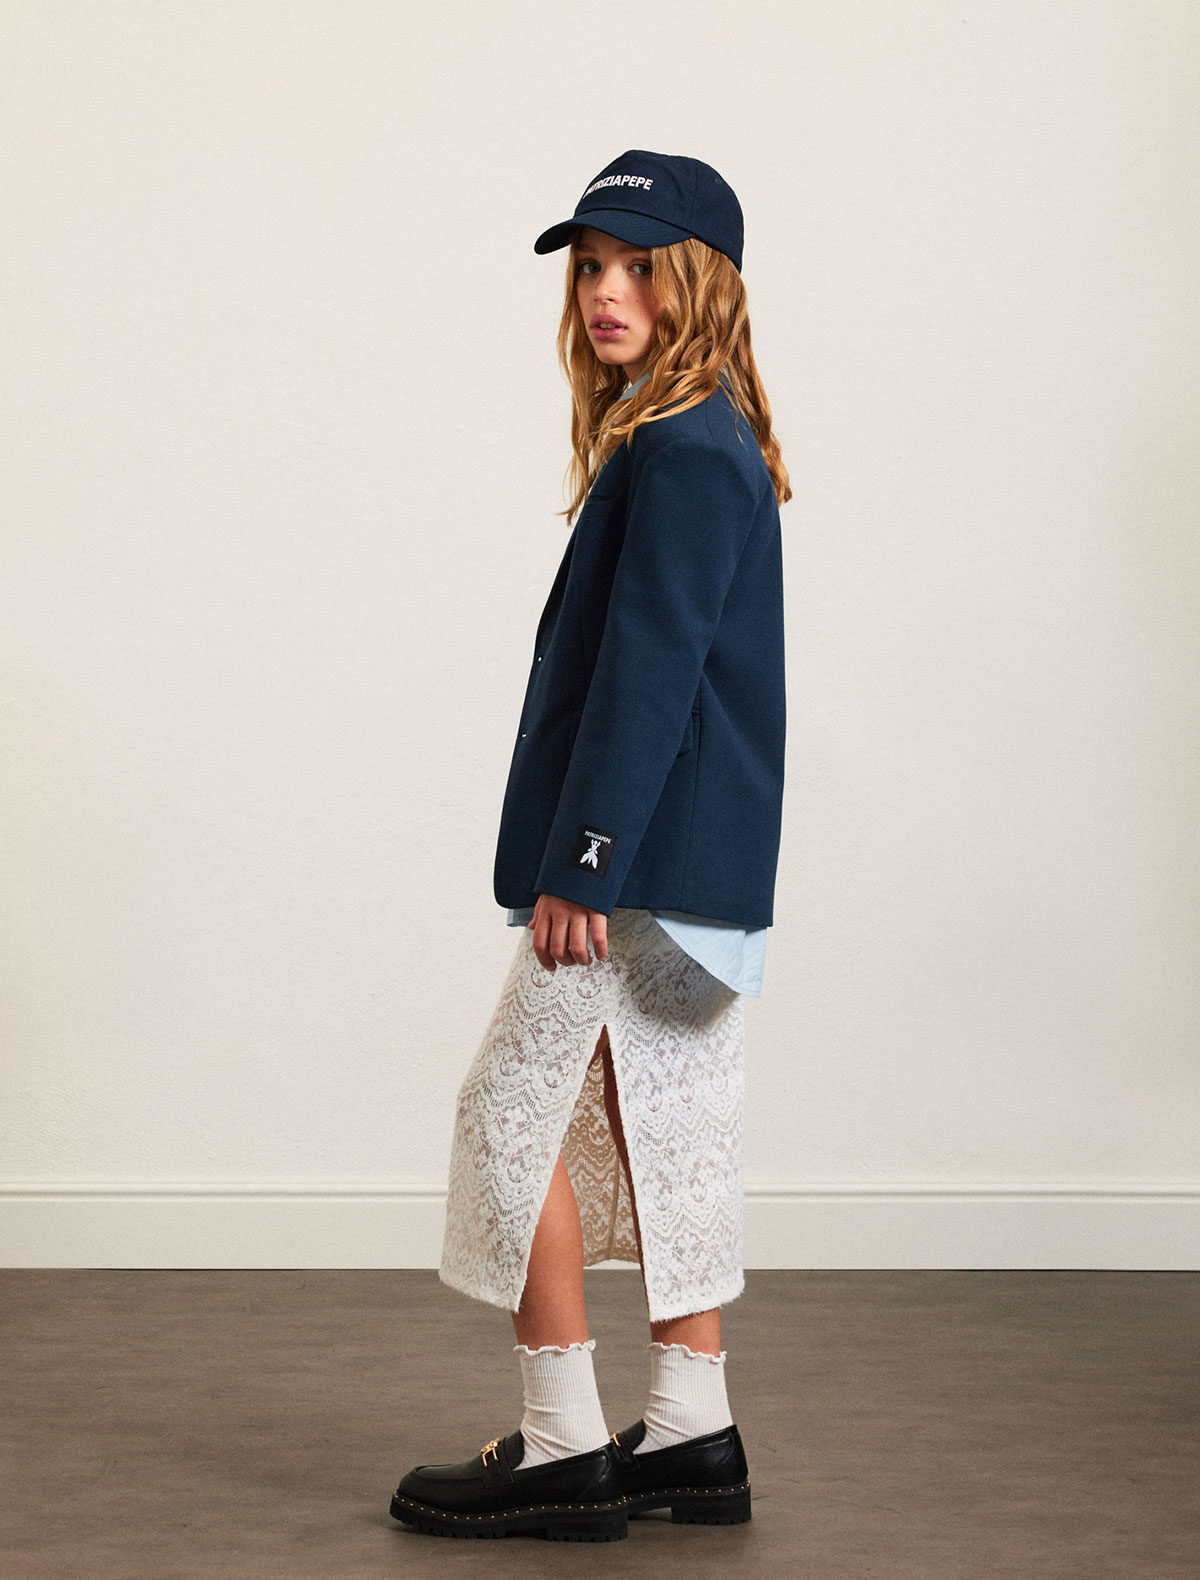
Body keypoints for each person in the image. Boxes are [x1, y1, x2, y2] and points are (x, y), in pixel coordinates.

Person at [390, 149, 790, 1542]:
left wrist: (586, 858)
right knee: (662, 1128)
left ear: (701, 284)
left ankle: (562, 1442)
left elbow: (649, 671)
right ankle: (692, 1427)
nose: (606, 293)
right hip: (698, 867)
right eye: (591, 268)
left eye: (639, 268)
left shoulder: (679, 448)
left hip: (641, 865)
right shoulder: (705, 435)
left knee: (509, 1118)